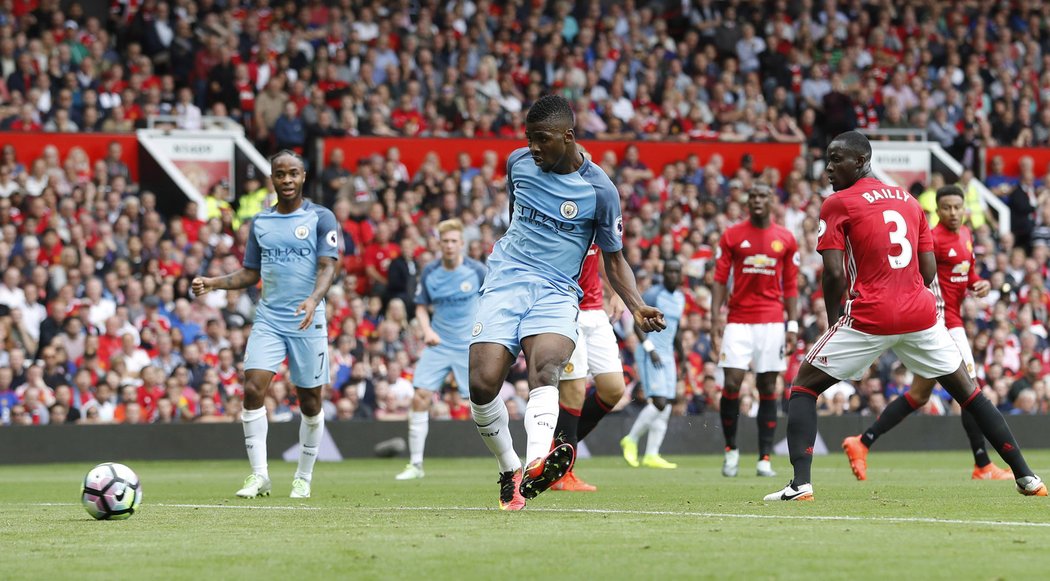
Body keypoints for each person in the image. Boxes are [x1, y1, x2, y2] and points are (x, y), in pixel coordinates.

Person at [764, 131, 1046, 502]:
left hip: (871, 314)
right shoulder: (909, 201)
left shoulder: (837, 203)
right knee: (971, 394)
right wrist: (906, 292)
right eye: (828, 159)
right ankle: (1028, 478)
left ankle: (800, 485)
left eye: (837, 159)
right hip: (921, 314)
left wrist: (835, 320)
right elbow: (928, 269)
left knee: (803, 387)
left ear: (861, 161)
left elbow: (833, 273)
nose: (829, 167)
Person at [468, 94, 665, 511]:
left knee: (547, 367)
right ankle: (510, 468)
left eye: (542, 139)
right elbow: (515, 216)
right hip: (506, 281)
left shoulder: (600, 191)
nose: (533, 147)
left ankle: (537, 464)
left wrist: (636, 304)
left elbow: (615, 259)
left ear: (568, 136)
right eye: (529, 138)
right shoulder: (518, 164)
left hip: (557, 291)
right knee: (482, 384)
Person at [192, 150, 340, 500]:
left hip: (307, 319)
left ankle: (303, 477)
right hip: (270, 318)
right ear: (271, 179)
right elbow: (250, 273)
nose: (286, 180)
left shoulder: (321, 217)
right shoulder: (260, 222)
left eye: (292, 174)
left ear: (303, 176)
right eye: (279, 174)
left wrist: (314, 299)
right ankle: (260, 475)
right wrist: (213, 282)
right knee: (253, 387)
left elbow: (329, 266)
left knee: (310, 402)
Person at [842, 185, 1013, 481]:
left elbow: (967, 274)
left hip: (954, 320)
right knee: (970, 389)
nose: (953, 213)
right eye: (946, 208)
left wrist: (978, 283)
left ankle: (863, 441)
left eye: (958, 208)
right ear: (937, 209)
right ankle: (983, 464)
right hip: (941, 323)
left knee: (920, 394)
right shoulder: (931, 238)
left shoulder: (966, 236)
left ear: (965, 209)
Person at [711, 184, 799, 478]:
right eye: (753, 197)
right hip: (738, 320)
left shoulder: (785, 238)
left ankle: (764, 458)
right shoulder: (732, 235)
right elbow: (720, 279)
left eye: (763, 196)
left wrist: (793, 323)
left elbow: (791, 285)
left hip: (772, 321)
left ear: (772, 201)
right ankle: (731, 450)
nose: (758, 201)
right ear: (748, 202)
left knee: (767, 387)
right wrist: (715, 320)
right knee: (733, 382)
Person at [394, 219, 486, 480]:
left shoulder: (477, 270)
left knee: (483, 403)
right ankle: (415, 464)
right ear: (439, 243)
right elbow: (421, 306)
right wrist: (427, 330)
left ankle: (505, 461)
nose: (449, 245)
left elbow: (490, 300)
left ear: (462, 244)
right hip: (439, 343)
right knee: (420, 396)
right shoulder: (430, 272)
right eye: (445, 241)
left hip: (469, 345)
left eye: (454, 241)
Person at [551, 244, 629, 491]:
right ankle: (561, 473)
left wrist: (617, 289)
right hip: (566, 309)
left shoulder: (601, 208)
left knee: (613, 389)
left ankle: (554, 450)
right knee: (573, 392)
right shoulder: (559, 210)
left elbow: (609, 254)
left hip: (596, 312)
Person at [620, 260, 685, 469]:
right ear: (664, 273)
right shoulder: (653, 294)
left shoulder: (680, 298)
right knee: (659, 402)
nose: (673, 275)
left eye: (677, 271)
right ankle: (630, 439)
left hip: (667, 354)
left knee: (665, 407)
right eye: (670, 271)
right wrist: (650, 348)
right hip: (651, 352)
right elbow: (636, 322)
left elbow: (675, 329)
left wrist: (682, 356)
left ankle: (651, 454)